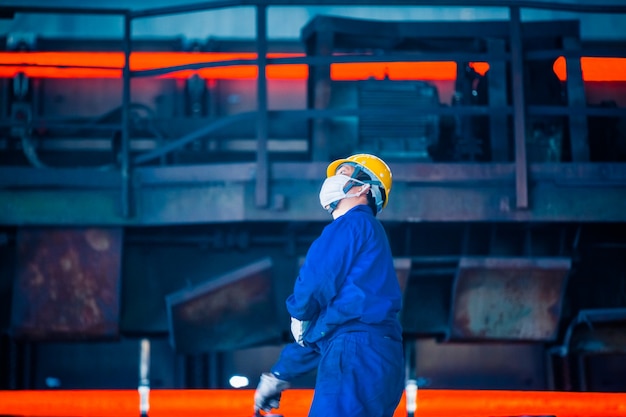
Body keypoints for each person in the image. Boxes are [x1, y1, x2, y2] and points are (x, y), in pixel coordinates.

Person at [254, 153, 405, 417]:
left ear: (364, 187)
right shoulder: (368, 238)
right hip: (375, 357)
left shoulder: (353, 223)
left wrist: (300, 312)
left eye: (344, 173)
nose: (334, 179)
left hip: (357, 354)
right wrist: (278, 375)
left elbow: (317, 277)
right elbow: (326, 333)